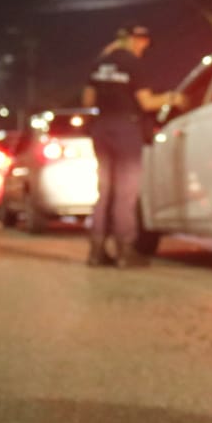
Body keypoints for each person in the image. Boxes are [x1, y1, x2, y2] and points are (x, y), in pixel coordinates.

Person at [81, 25, 182, 267]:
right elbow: (146, 103)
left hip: (101, 128)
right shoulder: (132, 64)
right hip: (125, 129)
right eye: (141, 42)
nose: (142, 47)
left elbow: (88, 99)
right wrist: (172, 98)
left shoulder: (99, 63)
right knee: (126, 192)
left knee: (104, 191)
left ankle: (96, 251)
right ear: (133, 41)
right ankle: (126, 251)